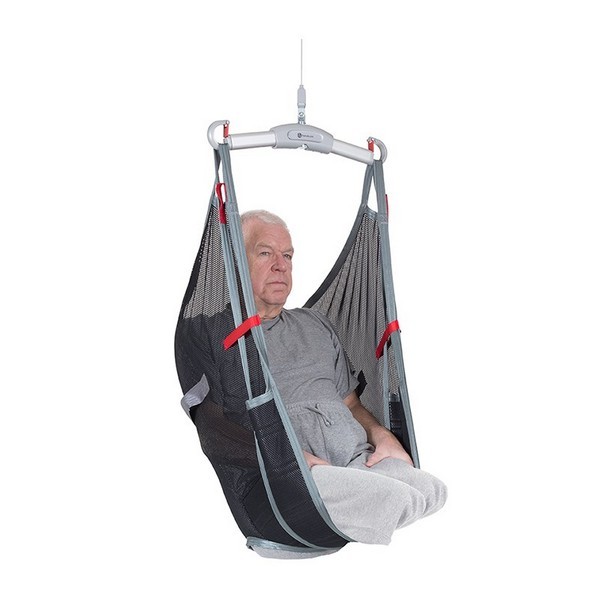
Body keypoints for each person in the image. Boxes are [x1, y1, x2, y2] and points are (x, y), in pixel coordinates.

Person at [241, 209, 447, 548]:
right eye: (265, 253)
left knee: (432, 491)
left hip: (354, 459)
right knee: (396, 498)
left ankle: (361, 507)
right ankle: (356, 508)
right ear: (237, 260)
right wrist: (288, 457)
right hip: (294, 471)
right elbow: (216, 423)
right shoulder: (220, 335)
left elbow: (350, 404)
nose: (281, 266)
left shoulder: (315, 324)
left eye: (288, 256)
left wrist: (382, 435)